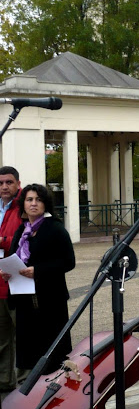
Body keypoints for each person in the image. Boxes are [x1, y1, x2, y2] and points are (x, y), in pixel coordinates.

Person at [2, 184, 75, 376]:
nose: (34, 204)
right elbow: (14, 259)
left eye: (38, 200)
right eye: (29, 200)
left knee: (51, 355)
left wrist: (38, 270)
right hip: (25, 300)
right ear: (23, 204)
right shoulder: (21, 231)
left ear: (46, 204)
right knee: (31, 356)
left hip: (49, 302)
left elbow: (69, 262)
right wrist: (7, 273)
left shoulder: (56, 229)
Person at [0, 166, 23, 394]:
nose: (4, 187)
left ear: (17, 183)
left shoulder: (24, 205)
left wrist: (3, 240)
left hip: (17, 280)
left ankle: (26, 382)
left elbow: (24, 238)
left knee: (23, 335)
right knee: (2, 337)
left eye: (9, 182)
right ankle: (4, 381)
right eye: (0, 183)